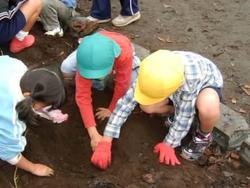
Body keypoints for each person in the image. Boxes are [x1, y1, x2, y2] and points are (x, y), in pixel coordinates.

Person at [91, 50, 223, 170]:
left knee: (208, 108)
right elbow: (125, 104)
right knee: (147, 106)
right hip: (173, 87)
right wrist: (106, 139)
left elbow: (184, 115)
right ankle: (173, 111)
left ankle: (203, 135)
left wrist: (169, 144)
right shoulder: (149, 72)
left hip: (202, 86)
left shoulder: (190, 82)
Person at [60, 30, 140, 151]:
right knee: (66, 67)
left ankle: (102, 80)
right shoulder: (85, 57)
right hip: (91, 48)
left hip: (121, 51)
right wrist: (93, 133)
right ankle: (97, 82)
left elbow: (122, 85)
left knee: (132, 85)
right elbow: (82, 96)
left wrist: (111, 109)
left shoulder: (124, 54)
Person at [0, 55, 66, 176]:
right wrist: (33, 167)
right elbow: (7, 153)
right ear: (28, 96)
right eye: (45, 105)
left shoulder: (17, 66)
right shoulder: (11, 118)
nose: (44, 109)